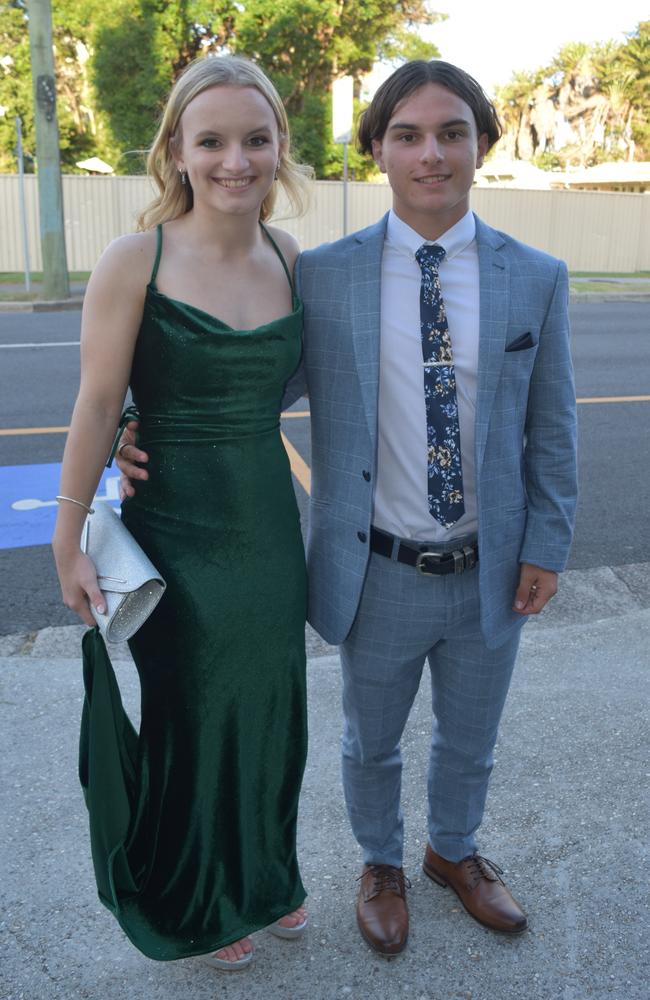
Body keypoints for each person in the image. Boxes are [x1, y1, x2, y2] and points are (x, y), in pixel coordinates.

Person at [118, 59, 578, 957]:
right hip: (379, 568)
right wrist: (144, 426)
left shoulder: (539, 276)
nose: (432, 154)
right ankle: (381, 865)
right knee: (371, 741)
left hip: (491, 559)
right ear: (377, 151)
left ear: (482, 143)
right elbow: (250, 380)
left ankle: (454, 852)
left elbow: (552, 428)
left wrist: (548, 546)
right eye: (407, 135)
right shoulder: (327, 275)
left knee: (471, 737)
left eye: (452, 133)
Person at [52, 55, 313, 970]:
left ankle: (267, 873)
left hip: (268, 531)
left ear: (281, 149)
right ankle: (203, 891)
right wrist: (67, 535)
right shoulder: (138, 258)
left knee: (274, 706)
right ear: (176, 151)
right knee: (192, 713)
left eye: (255, 139)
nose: (234, 160)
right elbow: (95, 402)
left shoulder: (291, 258)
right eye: (212, 141)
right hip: (179, 529)